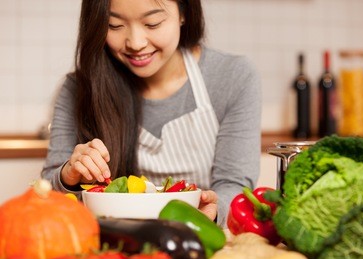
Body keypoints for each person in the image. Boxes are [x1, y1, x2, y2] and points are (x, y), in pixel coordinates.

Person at [41, 0, 261, 227]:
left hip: (200, 240)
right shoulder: (79, 88)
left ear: (183, 13)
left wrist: (214, 212)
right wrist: (69, 174)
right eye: (114, 25)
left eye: (152, 23)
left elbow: (234, 185)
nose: (135, 43)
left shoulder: (234, 76)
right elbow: (46, 191)